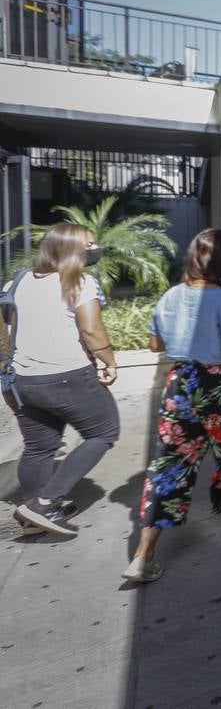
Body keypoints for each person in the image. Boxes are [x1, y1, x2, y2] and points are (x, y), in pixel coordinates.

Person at [123, 229, 221, 583]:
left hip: (181, 384)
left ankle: (143, 554)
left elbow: (154, 344)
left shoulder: (170, 296)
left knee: (168, 465)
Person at [6, 224, 119, 536]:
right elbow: (93, 330)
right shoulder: (80, 282)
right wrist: (109, 361)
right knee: (103, 432)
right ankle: (44, 503)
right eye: (89, 244)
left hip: (21, 381)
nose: (95, 248)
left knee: (39, 447)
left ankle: (34, 516)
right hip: (66, 376)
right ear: (70, 249)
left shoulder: (19, 281)